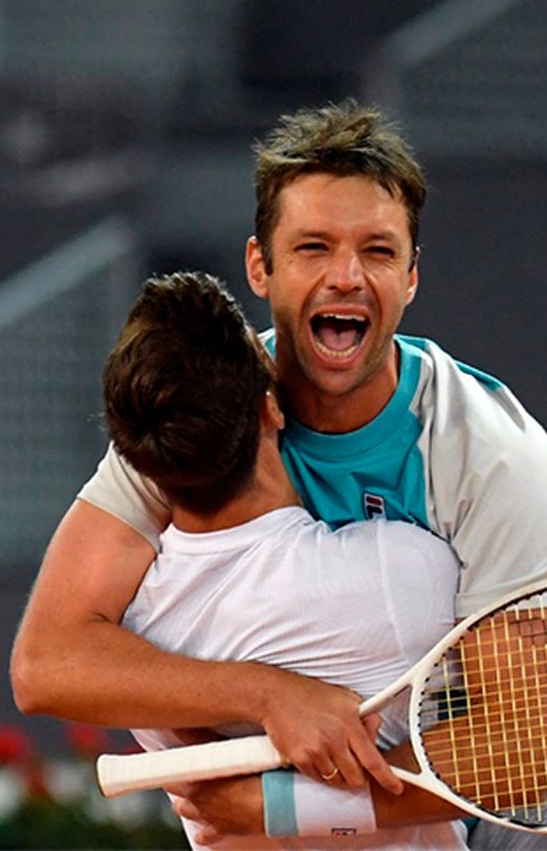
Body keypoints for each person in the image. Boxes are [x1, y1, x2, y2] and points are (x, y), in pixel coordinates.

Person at [11, 102, 547, 849]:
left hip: (521, 818)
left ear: (411, 278)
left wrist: (277, 806)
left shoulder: (489, 452)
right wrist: (272, 695)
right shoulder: (207, 402)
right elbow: (47, 661)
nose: (346, 276)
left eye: (377, 252)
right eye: (313, 247)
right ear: (261, 266)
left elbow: (519, 756)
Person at [100, 270, 467, 847]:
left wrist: (275, 804)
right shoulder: (405, 572)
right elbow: (519, 732)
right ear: (271, 405)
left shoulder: (136, 643)